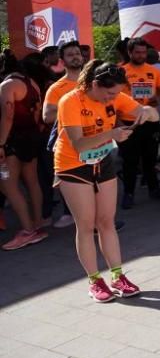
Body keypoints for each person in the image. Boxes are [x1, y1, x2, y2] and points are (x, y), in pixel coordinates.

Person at [54, 61, 158, 301]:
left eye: (117, 93)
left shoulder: (115, 97)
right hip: (73, 164)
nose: (114, 98)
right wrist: (111, 134)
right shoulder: (70, 101)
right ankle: (94, 280)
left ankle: (117, 275)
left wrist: (146, 113)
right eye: (110, 93)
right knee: (86, 224)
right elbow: (79, 143)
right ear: (94, 85)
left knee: (106, 221)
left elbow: (149, 113)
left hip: (103, 161)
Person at [0, 53, 51, 250]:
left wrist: (1, 144)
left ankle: (28, 231)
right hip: (31, 138)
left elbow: (8, 116)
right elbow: (37, 111)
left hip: (13, 141)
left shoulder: (7, 86)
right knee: (32, 181)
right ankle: (37, 225)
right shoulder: (31, 83)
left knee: (8, 185)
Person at [42, 41, 88, 229]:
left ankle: (99, 221)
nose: (76, 56)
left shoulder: (93, 83)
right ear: (62, 61)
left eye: (77, 53)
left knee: (97, 183)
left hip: (97, 143)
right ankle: (73, 215)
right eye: (70, 55)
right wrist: (71, 112)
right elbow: (47, 116)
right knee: (73, 182)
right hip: (70, 146)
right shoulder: (57, 88)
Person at [118, 37, 160, 209]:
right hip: (129, 122)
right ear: (130, 53)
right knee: (129, 161)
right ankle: (129, 193)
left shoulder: (153, 71)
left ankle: (154, 188)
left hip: (150, 121)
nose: (141, 55)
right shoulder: (121, 72)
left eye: (143, 52)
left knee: (150, 157)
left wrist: (157, 98)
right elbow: (113, 99)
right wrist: (118, 123)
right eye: (137, 52)